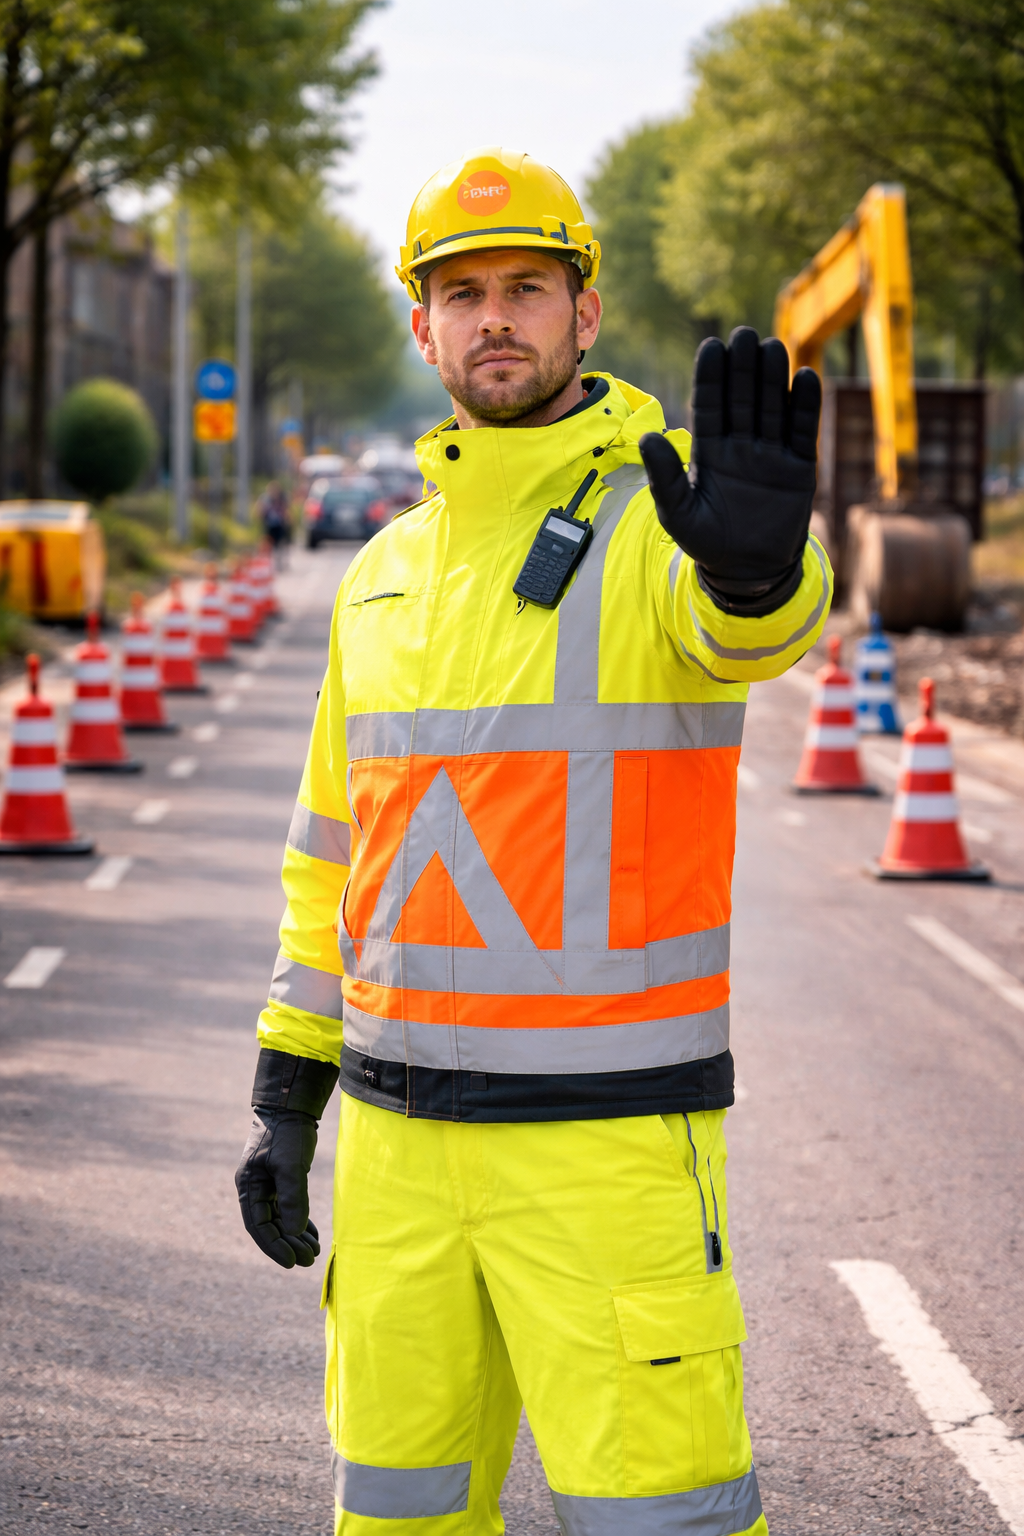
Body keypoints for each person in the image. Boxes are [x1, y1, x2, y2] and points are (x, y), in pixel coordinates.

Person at [235, 148, 831, 1536]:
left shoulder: (659, 529)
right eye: (463, 293)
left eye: (526, 287)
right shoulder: (382, 574)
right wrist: (286, 1092)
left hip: (603, 1153)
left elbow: (746, 634)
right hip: (397, 1157)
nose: (493, 318)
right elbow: (331, 856)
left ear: (585, 312)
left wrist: (753, 567)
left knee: (659, 1520)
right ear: (422, 327)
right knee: (396, 1515)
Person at [258, 481, 291, 568]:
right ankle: (269, 562)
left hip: (279, 524)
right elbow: (260, 509)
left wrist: (287, 519)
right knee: (269, 543)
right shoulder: (265, 499)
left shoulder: (282, 499)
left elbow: (286, 510)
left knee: (280, 543)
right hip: (269, 524)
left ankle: (279, 561)